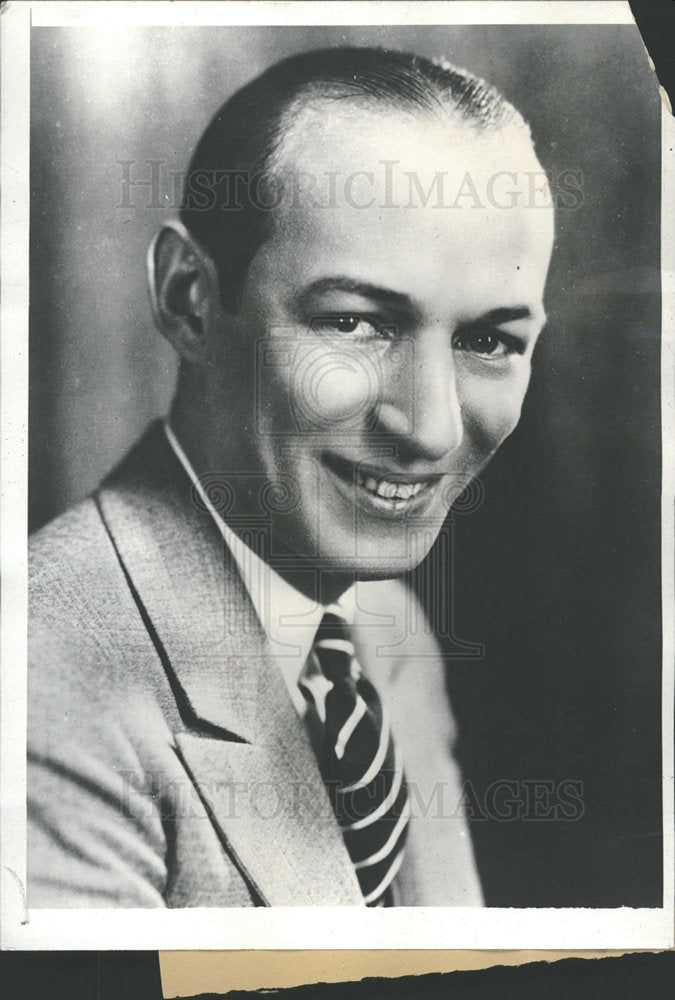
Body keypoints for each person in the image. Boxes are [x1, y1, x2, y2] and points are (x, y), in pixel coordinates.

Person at [28, 47, 554, 908]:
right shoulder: (41, 694)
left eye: (487, 341)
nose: (427, 429)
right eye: (353, 322)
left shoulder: (381, 628)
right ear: (188, 298)